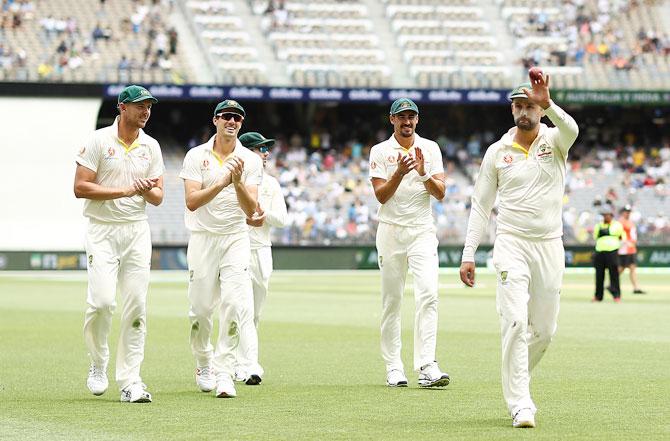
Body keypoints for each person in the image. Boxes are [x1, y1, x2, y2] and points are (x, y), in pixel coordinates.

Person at [459, 71, 579, 428]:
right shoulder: (497, 152)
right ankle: (520, 403)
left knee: (544, 330)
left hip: (549, 245)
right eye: (519, 105)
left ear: (539, 109)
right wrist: (468, 254)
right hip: (511, 243)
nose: (524, 111)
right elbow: (481, 205)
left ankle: (517, 378)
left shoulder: (556, 140)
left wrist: (550, 104)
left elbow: (572, 129)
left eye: (529, 105)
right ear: (512, 109)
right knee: (513, 321)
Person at [74, 84, 164, 403]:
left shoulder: (151, 146)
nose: (146, 112)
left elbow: (158, 196)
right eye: (140, 106)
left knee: (136, 306)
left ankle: (130, 380)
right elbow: (80, 188)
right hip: (102, 231)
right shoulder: (98, 140)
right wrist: (125, 190)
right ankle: (98, 363)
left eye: (149, 107)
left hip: (136, 231)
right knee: (101, 303)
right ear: (122, 108)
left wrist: (142, 190)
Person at [179, 100, 263, 398]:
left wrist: (238, 183)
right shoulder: (196, 155)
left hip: (235, 237)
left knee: (234, 304)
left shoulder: (249, 160)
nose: (233, 121)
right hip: (202, 237)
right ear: (215, 120)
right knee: (200, 310)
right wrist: (224, 181)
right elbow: (192, 201)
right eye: (227, 116)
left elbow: (252, 209)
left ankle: (225, 371)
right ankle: (204, 361)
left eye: (238, 118)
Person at [369, 98, 450, 389]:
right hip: (391, 231)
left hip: (421, 231)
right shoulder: (380, 151)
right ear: (392, 119)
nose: (407, 122)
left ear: (417, 119)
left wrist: (422, 171)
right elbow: (381, 195)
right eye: (401, 117)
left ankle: (427, 364)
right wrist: (400, 173)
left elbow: (440, 193)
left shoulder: (430, 148)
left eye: (411, 117)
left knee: (429, 293)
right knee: (392, 301)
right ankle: (393, 367)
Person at [234, 132, 288, 381]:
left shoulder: (272, 184)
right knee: (239, 309)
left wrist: (261, 212)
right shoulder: (234, 179)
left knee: (255, 312)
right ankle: (247, 365)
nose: (265, 153)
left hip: (262, 251)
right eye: (259, 149)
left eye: (266, 149)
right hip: (237, 248)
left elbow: (282, 219)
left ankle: (242, 361)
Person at [593, 205, 625, 303]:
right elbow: (595, 235)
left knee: (614, 274)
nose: (606, 217)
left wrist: (606, 232)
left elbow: (617, 234)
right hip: (600, 251)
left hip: (612, 251)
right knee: (599, 275)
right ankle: (598, 296)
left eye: (608, 215)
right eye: (604, 215)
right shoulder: (599, 225)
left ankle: (616, 295)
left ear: (611, 215)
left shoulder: (617, 224)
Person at [618, 205, 646, 294]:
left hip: (631, 248)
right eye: (626, 211)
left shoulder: (630, 222)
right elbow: (619, 234)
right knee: (621, 268)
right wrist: (625, 242)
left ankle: (636, 287)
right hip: (625, 249)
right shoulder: (620, 222)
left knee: (632, 267)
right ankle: (612, 283)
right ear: (622, 212)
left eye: (629, 212)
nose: (628, 213)